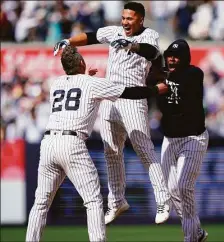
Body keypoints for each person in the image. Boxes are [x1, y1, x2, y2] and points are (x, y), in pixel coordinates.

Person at [25, 45, 169, 242]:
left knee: (40, 203)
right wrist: (154, 90)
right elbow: (127, 92)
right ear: (82, 63)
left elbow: (77, 88)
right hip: (71, 143)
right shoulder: (92, 84)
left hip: (49, 143)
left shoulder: (57, 83)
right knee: (93, 201)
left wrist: (87, 77)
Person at [53, 2, 171, 225]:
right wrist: (68, 41)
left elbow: (152, 52)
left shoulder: (150, 35)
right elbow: (89, 36)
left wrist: (131, 45)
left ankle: (163, 200)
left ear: (141, 20)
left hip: (133, 99)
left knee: (144, 149)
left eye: (130, 18)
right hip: (110, 97)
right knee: (111, 151)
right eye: (124, 17)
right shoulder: (114, 31)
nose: (125, 22)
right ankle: (117, 201)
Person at [152, 39, 209, 242]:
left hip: (193, 138)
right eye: (169, 56)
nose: (172, 59)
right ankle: (197, 232)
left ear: (185, 58)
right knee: (172, 189)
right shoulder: (162, 77)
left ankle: (191, 237)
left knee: (184, 186)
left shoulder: (194, 74)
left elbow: (182, 89)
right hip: (170, 138)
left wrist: (160, 78)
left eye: (176, 56)